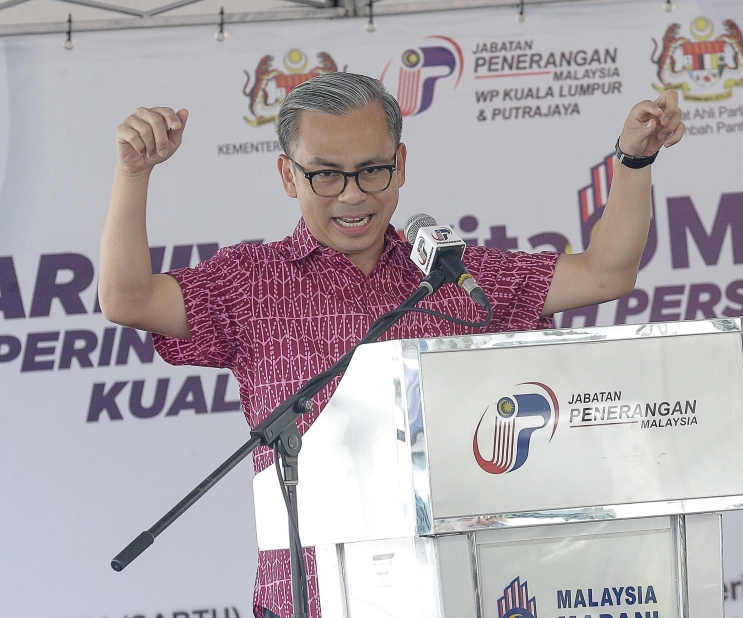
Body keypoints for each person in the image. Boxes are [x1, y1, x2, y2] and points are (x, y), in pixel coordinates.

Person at [99, 72, 685, 618]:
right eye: (325, 174)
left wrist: (635, 160)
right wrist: (134, 173)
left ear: (401, 165)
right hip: (308, 598)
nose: (352, 195)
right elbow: (127, 299)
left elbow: (606, 274)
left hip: (454, 592)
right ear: (287, 176)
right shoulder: (250, 282)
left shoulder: (456, 277)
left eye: (372, 170)